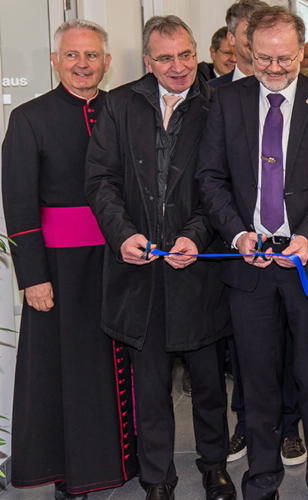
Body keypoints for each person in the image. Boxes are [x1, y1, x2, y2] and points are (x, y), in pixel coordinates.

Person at [195, 6, 308, 500]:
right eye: (264, 59)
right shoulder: (226, 102)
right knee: (257, 382)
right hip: (250, 267)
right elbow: (210, 178)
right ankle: (260, 483)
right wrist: (239, 235)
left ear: (301, 50)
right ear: (247, 49)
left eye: (285, 59)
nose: (275, 69)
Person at [84, 16, 235, 500]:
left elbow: (224, 186)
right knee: (149, 387)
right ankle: (157, 478)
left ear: (197, 53)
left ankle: (214, 467)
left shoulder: (220, 105)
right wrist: (122, 234)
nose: (179, 67)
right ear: (148, 61)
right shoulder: (118, 105)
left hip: (200, 266)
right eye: (166, 58)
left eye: (186, 55)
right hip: (139, 269)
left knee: (209, 383)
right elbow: (100, 180)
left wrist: (195, 234)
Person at [1, 18, 137, 500]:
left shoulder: (123, 110)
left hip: (120, 256)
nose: (83, 64)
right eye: (73, 55)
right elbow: (18, 205)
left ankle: (123, 460)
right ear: (55, 61)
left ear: (107, 61)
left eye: (92, 55)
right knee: (71, 371)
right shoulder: (30, 117)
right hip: (60, 267)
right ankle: (73, 472)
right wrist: (32, 277)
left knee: (118, 362)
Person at [209, 0, 269, 89]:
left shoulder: (287, 85)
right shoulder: (211, 91)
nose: (256, 40)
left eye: (263, 32)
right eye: (249, 33)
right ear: (231, 38)